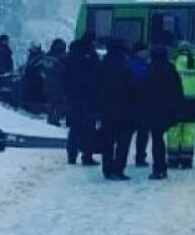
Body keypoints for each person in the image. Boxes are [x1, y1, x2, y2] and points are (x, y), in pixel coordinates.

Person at [142, 45, 184, 180]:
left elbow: (144, 90)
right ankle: (162, 167)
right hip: (168, 110)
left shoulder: (150, 69)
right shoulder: (171, 69)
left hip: (153, 110)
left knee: (156, 139)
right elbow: (178, 90)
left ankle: (158, 168)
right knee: (160, 138)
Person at [98, 38, 136, 181]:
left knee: (107, 141)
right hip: (124, 111)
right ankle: (118, 170)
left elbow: (96, 88)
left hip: (106, 111)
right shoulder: (125, 67)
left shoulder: (103, 65)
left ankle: (107, 169)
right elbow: (132, 88)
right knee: (123, 142)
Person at [168, 41, 195, 169]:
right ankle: (187, 160)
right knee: (189, 130)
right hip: (193, 101)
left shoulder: (175, 63)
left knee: (174, 129)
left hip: (178, 101)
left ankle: (173, 159)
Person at [65, 38, 100, 166]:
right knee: (88, 129)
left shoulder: (71, 57)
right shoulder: (91, 57)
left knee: (74, 128)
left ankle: (71, 156)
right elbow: (97, 76)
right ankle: (87, 156)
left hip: (73, 98)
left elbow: (63, 76)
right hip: (89, 98)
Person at [127, 42, 150, 167]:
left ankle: (138, 156)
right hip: (140, 103)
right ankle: (140, 157)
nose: (147, 53)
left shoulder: (130, 63)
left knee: (138, 132)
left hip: (134, 104)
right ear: (139, 52)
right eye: (145, 51)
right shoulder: (140, 65)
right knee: (142, 132)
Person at [42, 38, 68, 126]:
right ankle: (55, 119)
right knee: (60, 102)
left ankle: (50, 118)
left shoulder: (47, 56)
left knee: (51, 102)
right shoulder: (59, 57)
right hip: (58, 83)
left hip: (48, 82)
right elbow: (62, 70)